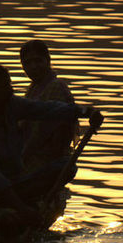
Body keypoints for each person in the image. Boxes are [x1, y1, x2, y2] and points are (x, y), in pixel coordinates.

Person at [0, 63, 102, 227]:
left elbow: (47, 109)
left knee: (65, 166)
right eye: (1, 87)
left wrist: (85, 112)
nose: (9, 90)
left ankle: (22, 201)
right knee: (0, 191)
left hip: (14, 183)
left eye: (8, 84)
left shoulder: (12, 105)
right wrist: (22, 209)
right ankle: (12, 204)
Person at [19, 39, 79, 173]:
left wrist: (24, 156)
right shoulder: (34, 89)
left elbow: (51, 131)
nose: (34, 66)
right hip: (31, 155)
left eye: (38, 60)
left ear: (48, 60)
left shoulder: (56, 87)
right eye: (28, 63)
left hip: (46, 159)